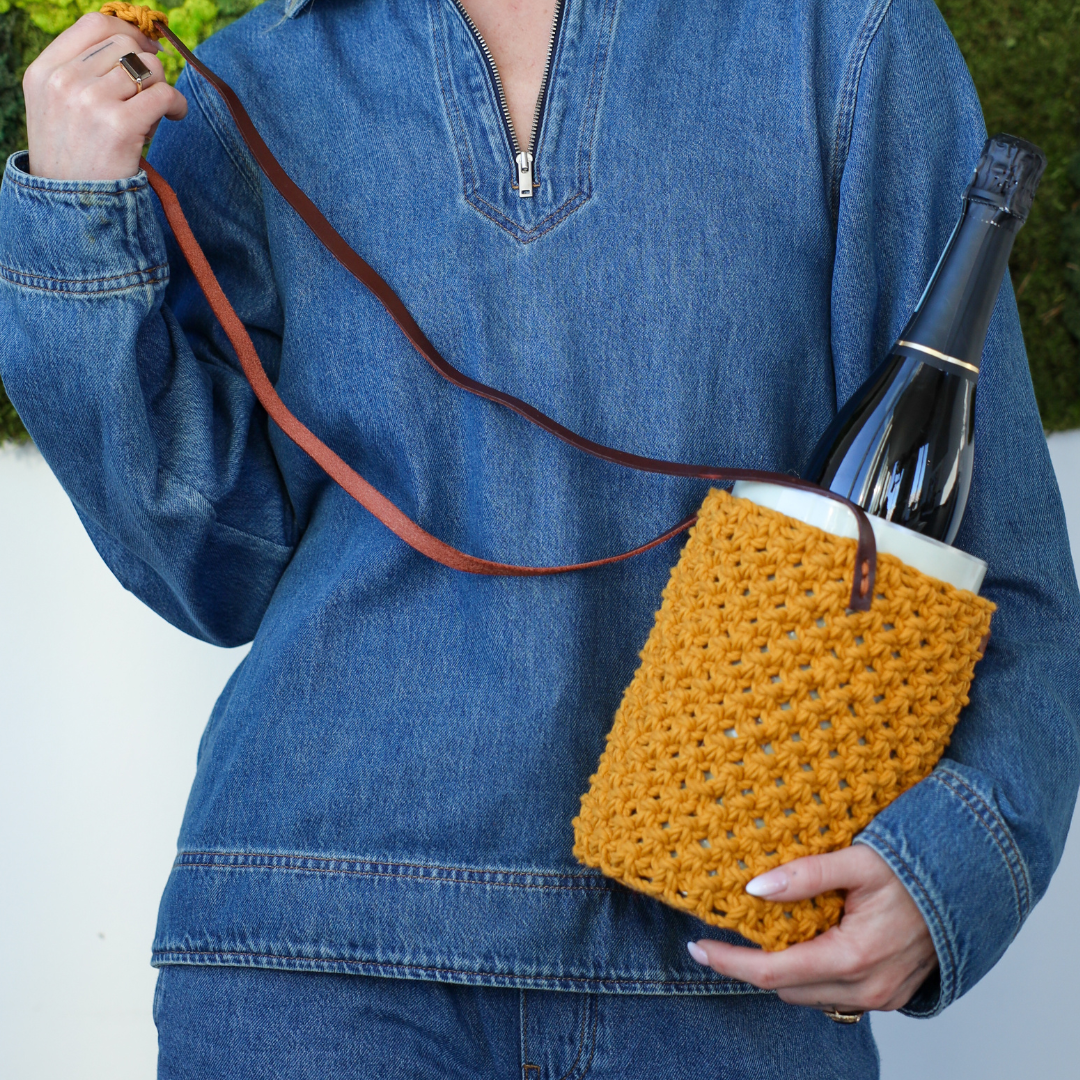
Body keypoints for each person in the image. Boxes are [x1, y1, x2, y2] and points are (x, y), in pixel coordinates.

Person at [4, 1, 1078, 1076]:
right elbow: (213, 571)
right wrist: (75, 214)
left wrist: (955, 868)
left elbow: (1000, 574)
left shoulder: (851, 42)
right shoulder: (246, 78)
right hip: (315, 960)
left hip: (729, 962)